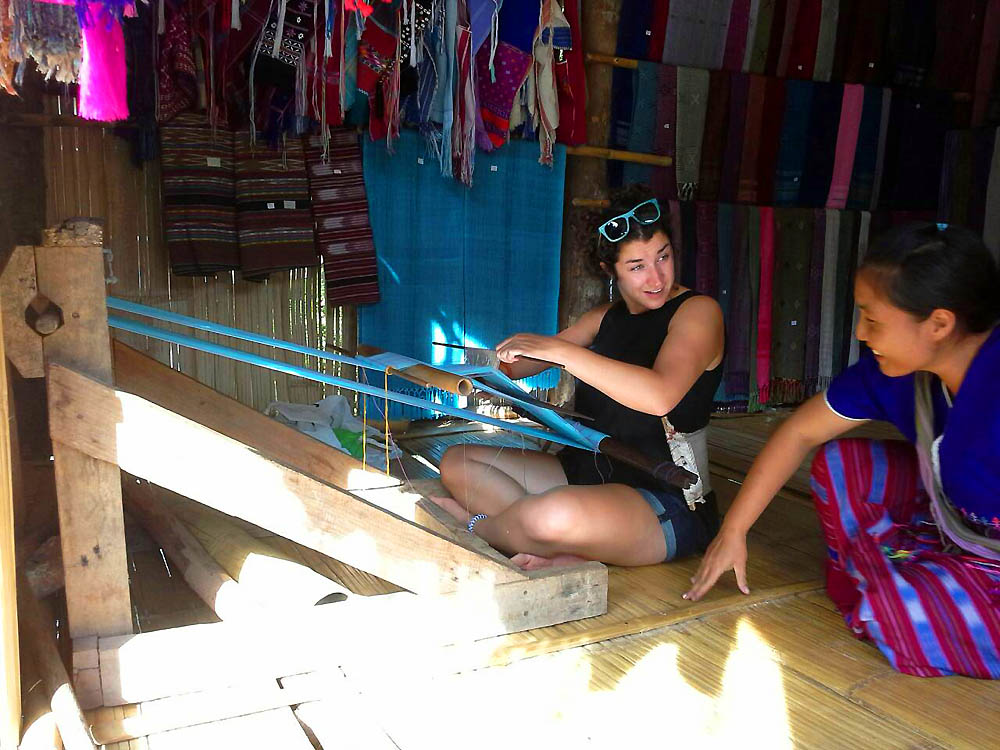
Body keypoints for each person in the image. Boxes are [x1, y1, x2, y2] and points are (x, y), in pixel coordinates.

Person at [687, 222, 1000, 679]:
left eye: (873, 320)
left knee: (897, 613)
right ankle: (928, 583)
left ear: (938, 324)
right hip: (956, 530)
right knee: (842, 467)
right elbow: (798, 434)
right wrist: (733, 531)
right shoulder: (890, 375)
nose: (860, 332)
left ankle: (916, 594)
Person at [433, 185, 725, 569]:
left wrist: (561, 353)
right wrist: (500, 359)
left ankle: (483, 528)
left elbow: (660, 396)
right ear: (610, 271)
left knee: (552, 515)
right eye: (636, 266)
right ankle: (543, 540)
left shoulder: (698, 312)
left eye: (663, 257)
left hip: (663, 495)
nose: (656, 277)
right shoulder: (605, 318)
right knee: (458, 462)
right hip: (589, 471)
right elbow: (522, 366)